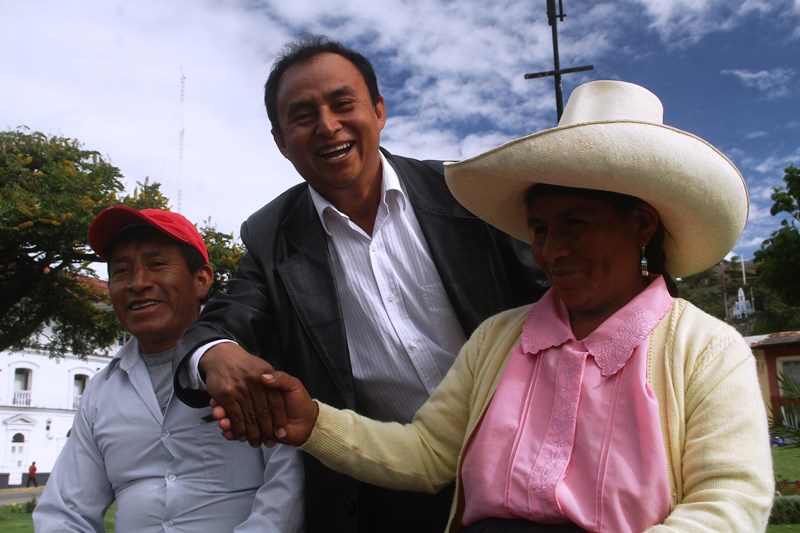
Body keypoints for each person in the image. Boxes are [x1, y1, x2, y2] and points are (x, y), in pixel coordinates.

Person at [237, 80, 775, 532]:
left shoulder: (704, 348)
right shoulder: (499, 338)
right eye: (540, 228)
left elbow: (730, 501)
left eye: (576, 224)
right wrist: (312, 422)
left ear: (640, 224)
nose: (551, 250)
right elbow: (427, 453)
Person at [173, 35, 547, 532]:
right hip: (392, 493)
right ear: (281, 142)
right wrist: (216, 354)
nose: (328, 126)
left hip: (529, 468)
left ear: (379, 110)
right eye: (303, 115)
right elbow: (225, 319)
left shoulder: (469, 195)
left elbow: (558, 297)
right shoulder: (271, 237)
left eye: (343, 103)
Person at [34, 206, 303, 532]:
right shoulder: (100, 392)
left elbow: (286, 490)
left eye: (156, 264)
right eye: (121, 271)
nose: (137, 283)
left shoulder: (251, 365)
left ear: (201, 279)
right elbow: (65, 510)